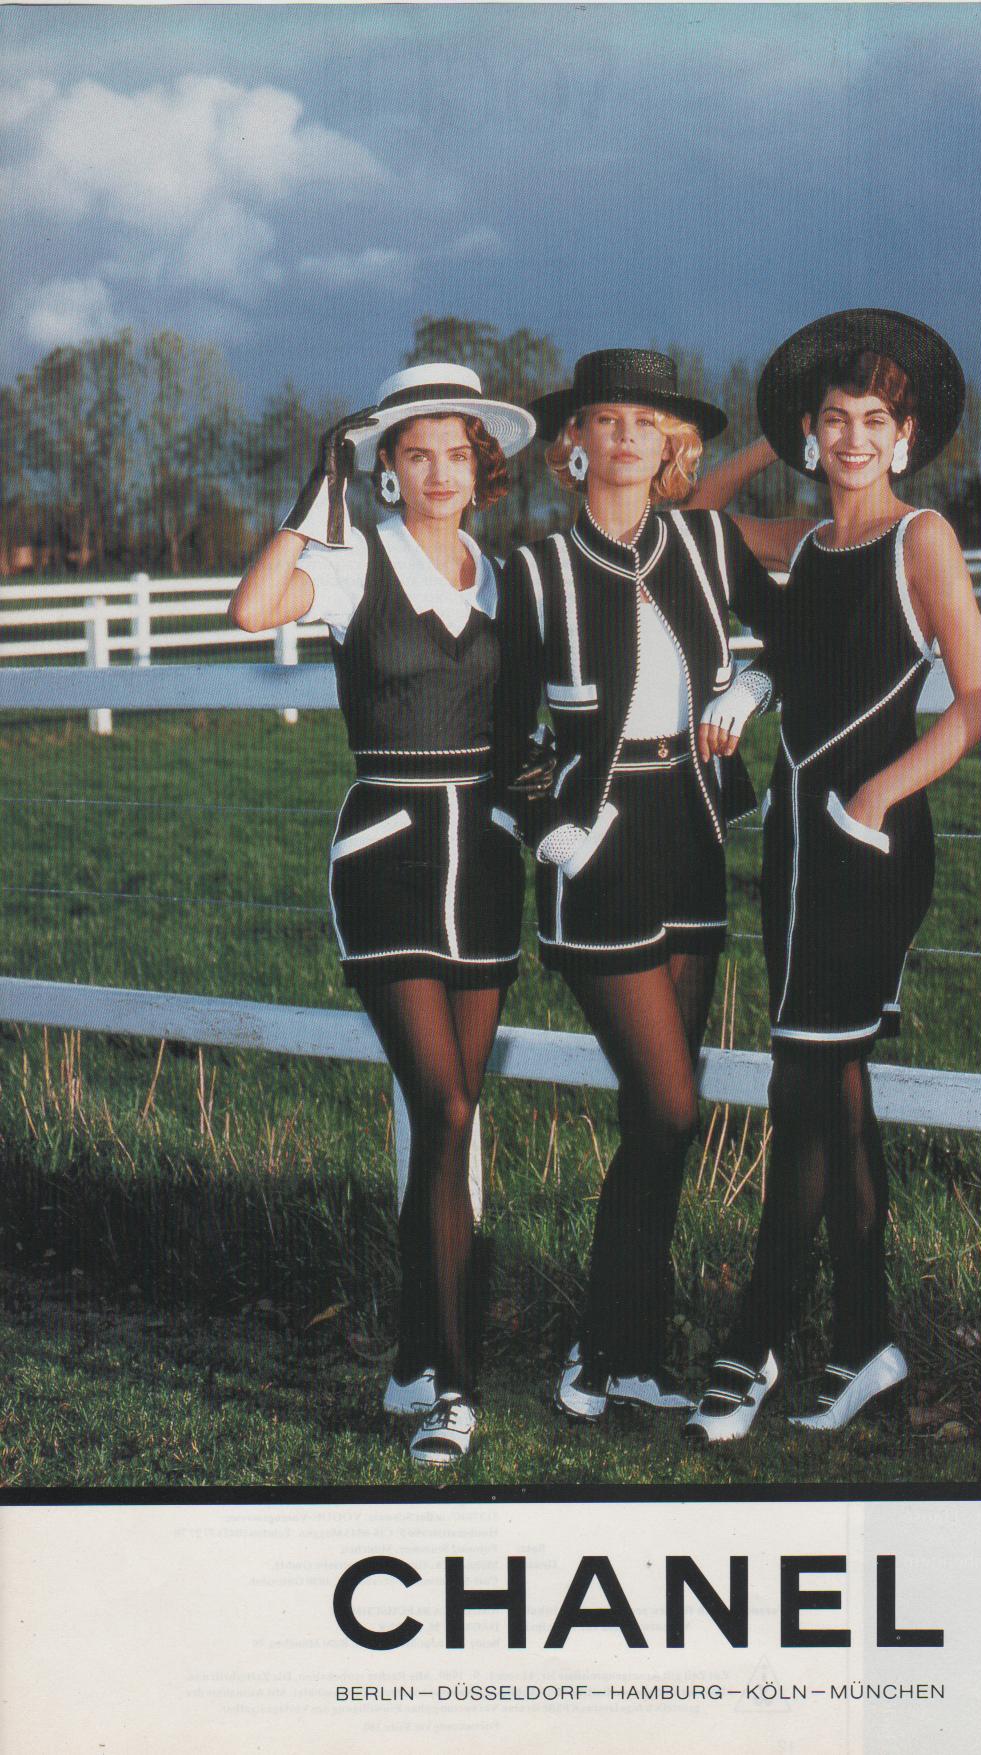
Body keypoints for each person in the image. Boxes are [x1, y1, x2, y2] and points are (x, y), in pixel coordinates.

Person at [681, 310, 981, 1441]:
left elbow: (979, 696)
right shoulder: (808, 545)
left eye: (874, 421)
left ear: (904, 439)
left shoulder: (923, 540)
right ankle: (866, 1342)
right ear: (813, 437)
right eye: (834, 420)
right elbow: (693, 517)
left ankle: (753, 1343)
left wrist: (874, 799)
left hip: (869, 850)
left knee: (800, 1091)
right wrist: (769, 438)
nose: (854, 439)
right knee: (834, 1089)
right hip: (793, 851)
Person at [228, 364, 537, 1465]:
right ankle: (456, 1385)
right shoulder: (356, 561)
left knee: (451, 1119)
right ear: (388, 468)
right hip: (388, 859)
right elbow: (252, 607)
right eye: (416, 454)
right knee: (443, 1108)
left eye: (457, 452)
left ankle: (415, 1353)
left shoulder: (507, 579)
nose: (439, 472)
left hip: (486, 863)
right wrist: (318, 494)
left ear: (481, 467)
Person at [491, 349, 774, 1423]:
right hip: (596, 850)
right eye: (603, 420)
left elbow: (799, 634)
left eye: (643, 423)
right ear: (573, 444)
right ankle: (604, 1339)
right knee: (667, 1103)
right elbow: (497, 732)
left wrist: (751, 685)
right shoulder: (535, 571)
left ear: (671, 447)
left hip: (692, 834)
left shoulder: (705, 543)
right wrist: (552, 832)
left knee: (662, 1119)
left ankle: (630, 1353)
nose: (622, 437)